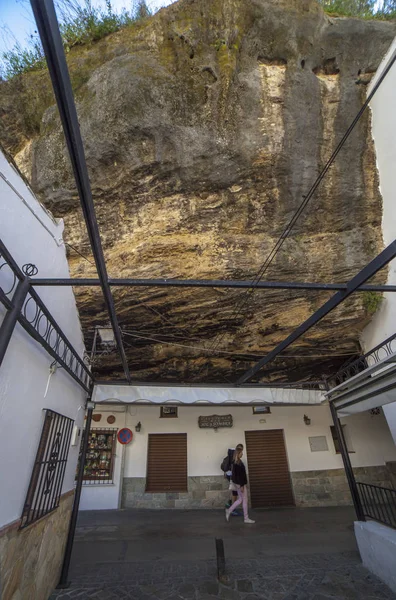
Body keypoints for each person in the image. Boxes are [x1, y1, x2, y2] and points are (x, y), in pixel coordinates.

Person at [225, 444, 255, 524]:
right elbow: (240, 476)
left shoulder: (235, 462)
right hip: (241, 484)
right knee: (245, 500)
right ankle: (246, 518)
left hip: (237, 484)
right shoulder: (238, 463)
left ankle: (229, 510)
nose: (243, 454)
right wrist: (242, 485)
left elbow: (235, 476)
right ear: (238, 453)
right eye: (242, 452)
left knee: (240, 499)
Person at [223, 447, 241, 516]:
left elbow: (225, 468)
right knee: (235, 492)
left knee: (234, 492)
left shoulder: (227, 458)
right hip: (233, 477)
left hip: (229, 476)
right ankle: (232, 509)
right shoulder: (233, 459)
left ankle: (229, 503)